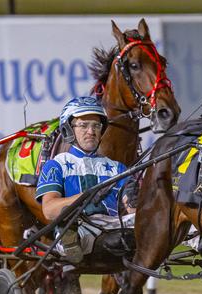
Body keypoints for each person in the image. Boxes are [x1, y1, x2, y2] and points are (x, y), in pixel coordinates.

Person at [36, 96, 135, 263]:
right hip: (79, 225)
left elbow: (132, 209)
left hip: (113, 225)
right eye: (84, 125)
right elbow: (49, 210)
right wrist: (86, 196)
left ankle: (192, 238)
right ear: (68, 130)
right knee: (72, 227)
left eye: (96, 125)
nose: (91, 131)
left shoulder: (118, 168)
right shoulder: (56, 165)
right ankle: (71, 242)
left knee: (150, 220)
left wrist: (140, 202)